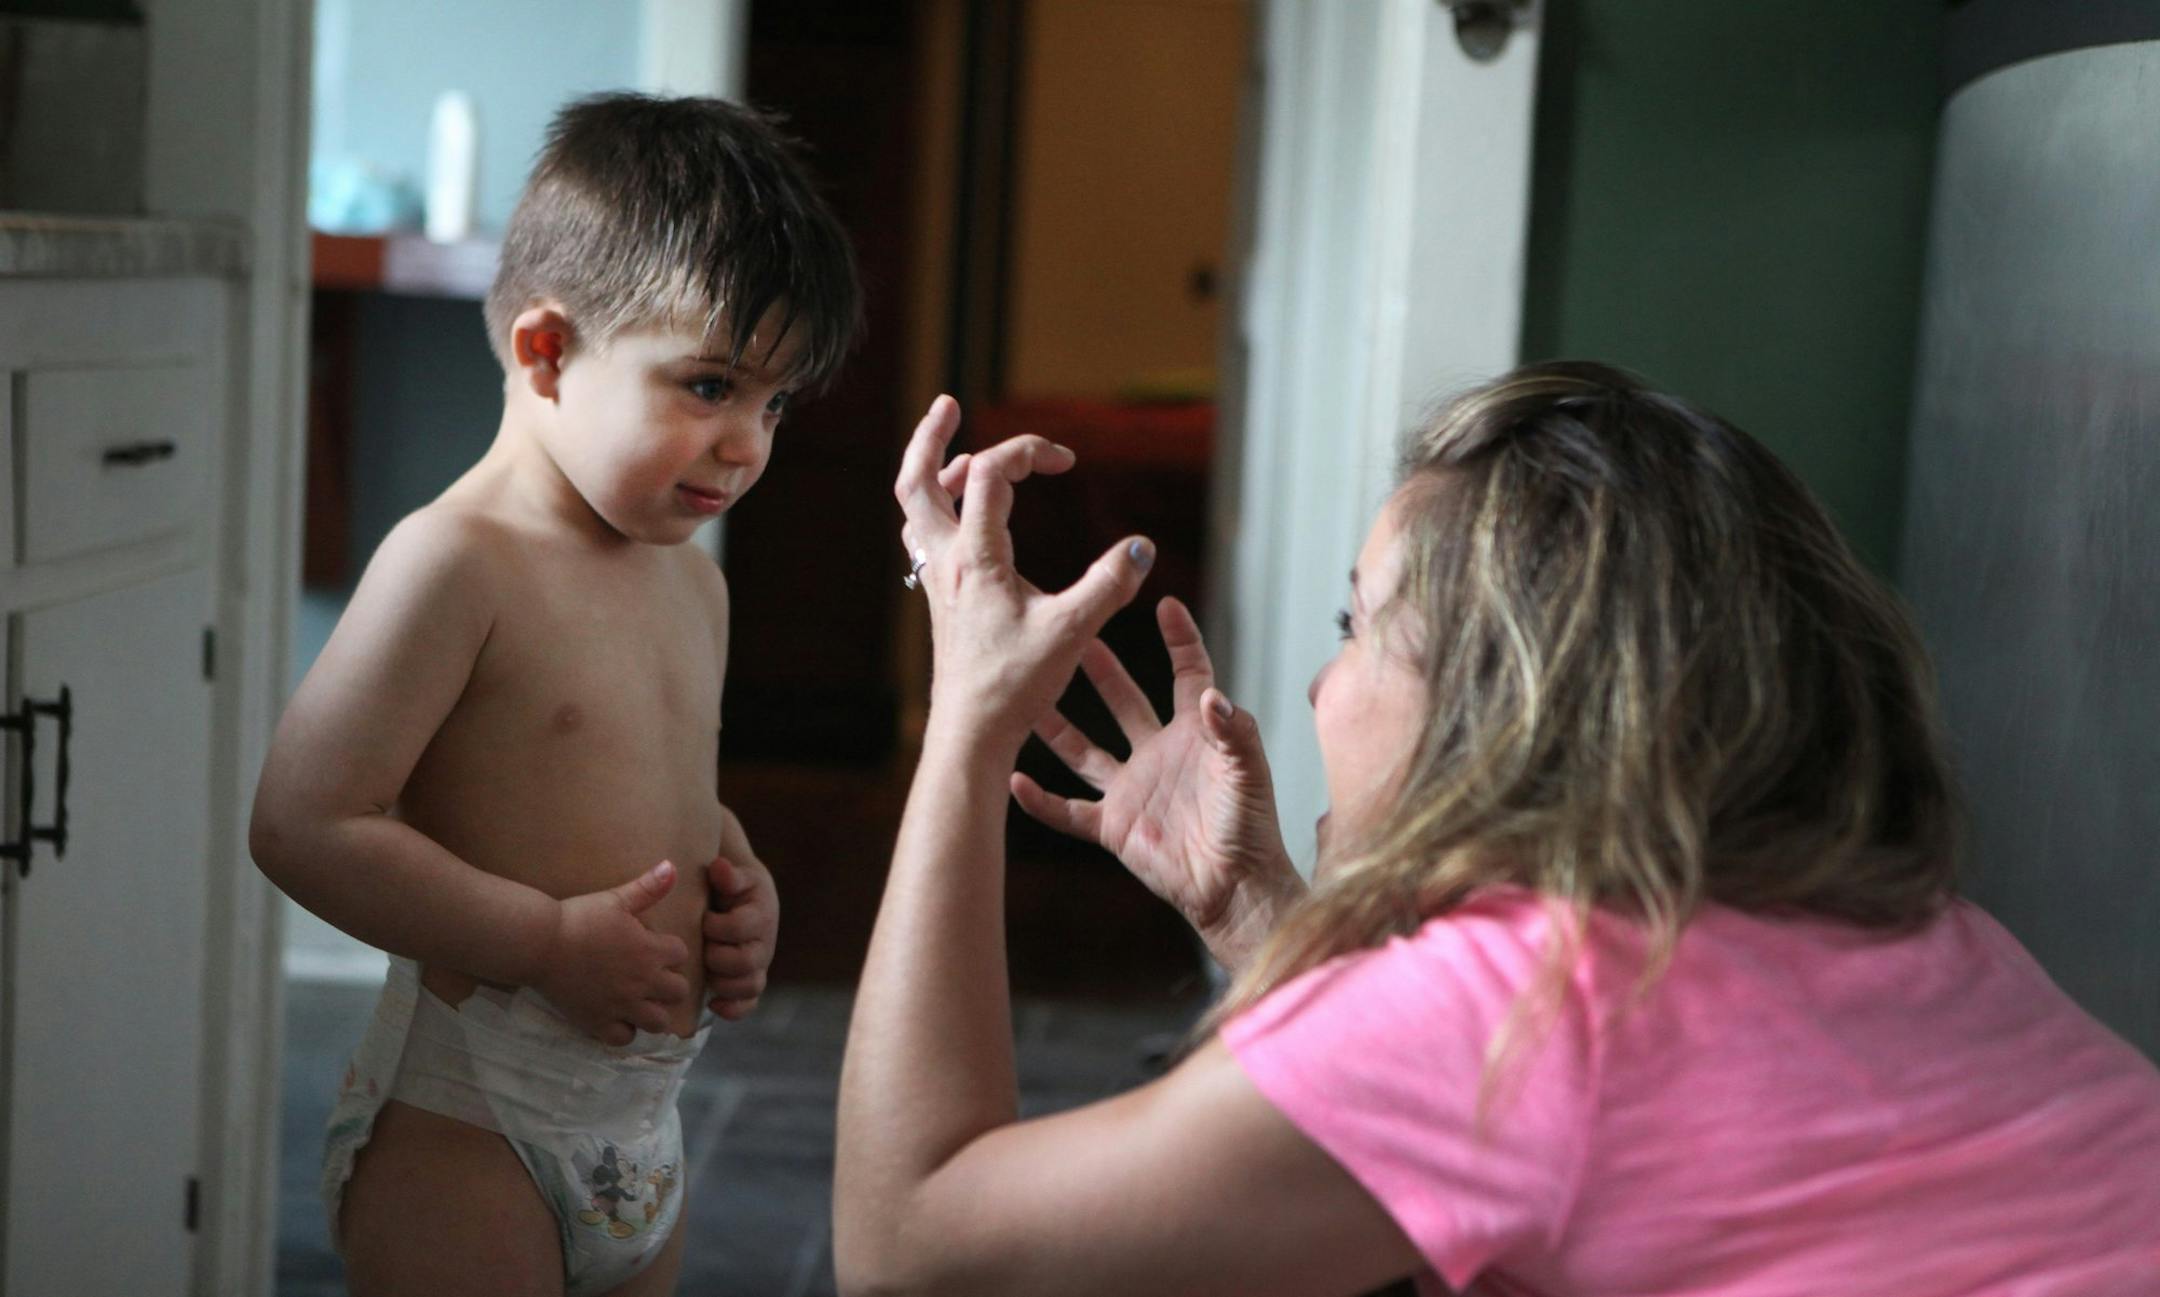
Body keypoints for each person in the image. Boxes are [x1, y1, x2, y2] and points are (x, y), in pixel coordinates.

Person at [826, 365, 2160, 1296]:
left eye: (1357, 628)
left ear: (1502, 693)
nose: (1316, 687)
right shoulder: (1916, 932)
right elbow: (1508, 1115)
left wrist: (967, 725)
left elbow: (915, 1244)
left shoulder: (1533, 1000)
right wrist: (1250, 911)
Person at [250, 93, 860, 1297]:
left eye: (774, 403)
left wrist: (741, 885)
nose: (747, 442)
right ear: (547, 351)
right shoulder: (455, 563)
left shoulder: (694, 588)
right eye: (709, 385)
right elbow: (303, 821)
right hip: (470, 1123)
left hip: (641, 1122)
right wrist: (541, 939)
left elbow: (667, 795)